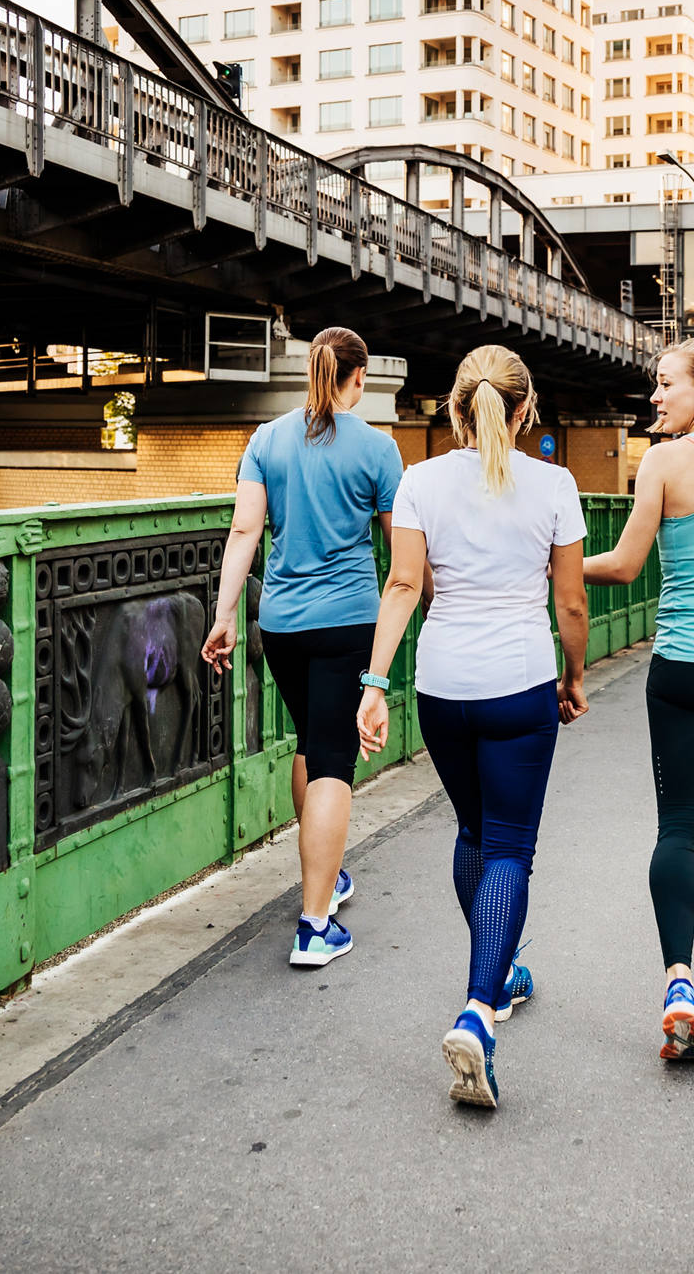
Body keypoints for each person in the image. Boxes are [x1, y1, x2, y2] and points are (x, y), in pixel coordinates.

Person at [357, 344, 589, 1109]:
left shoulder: (419, 481)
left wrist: (373, 681)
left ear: (457, 409)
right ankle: (478, 1011)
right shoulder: (555, 483)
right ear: (525, 412)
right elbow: (571, 605)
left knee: (474, 835)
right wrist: (574, 673)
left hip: (443, 687)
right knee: (512, 849)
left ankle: (500, 973)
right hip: (520, 683)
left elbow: (402, 584)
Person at [202, 326, 403, 966]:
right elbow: (403, 556)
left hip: (281, 625)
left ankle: (327, 877)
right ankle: (315, 924)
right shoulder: (378, 450)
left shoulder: (267, 439)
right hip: (347, 622)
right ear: (360, 377)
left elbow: (244, 530)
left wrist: (224, 612)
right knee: (336, 762)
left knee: (311, 744)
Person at [582, 338, 694, 1062]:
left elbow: (623, 566)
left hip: (680, 667)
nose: (653, 395)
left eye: (664, 384)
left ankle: (681, 986)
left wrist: (556, 563)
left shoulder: (662, 464)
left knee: (680, 827)